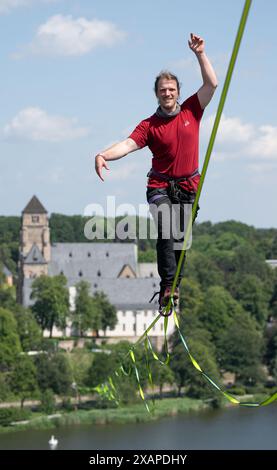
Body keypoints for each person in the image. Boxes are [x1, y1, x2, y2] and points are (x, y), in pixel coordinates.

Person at [95, 33, 218, 313]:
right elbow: (127, 144)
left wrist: (200, 54)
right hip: (160, 185)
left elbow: (212, 84)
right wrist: (103, 154)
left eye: (172, 89)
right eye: (163, 90)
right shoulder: (149, 125)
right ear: (157, 93)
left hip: (188, 185)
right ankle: (166, 287)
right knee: (166, 228)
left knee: (181, 238)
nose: (168, 93)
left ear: (177, 91)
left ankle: (175, 286)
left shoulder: (192, 110)